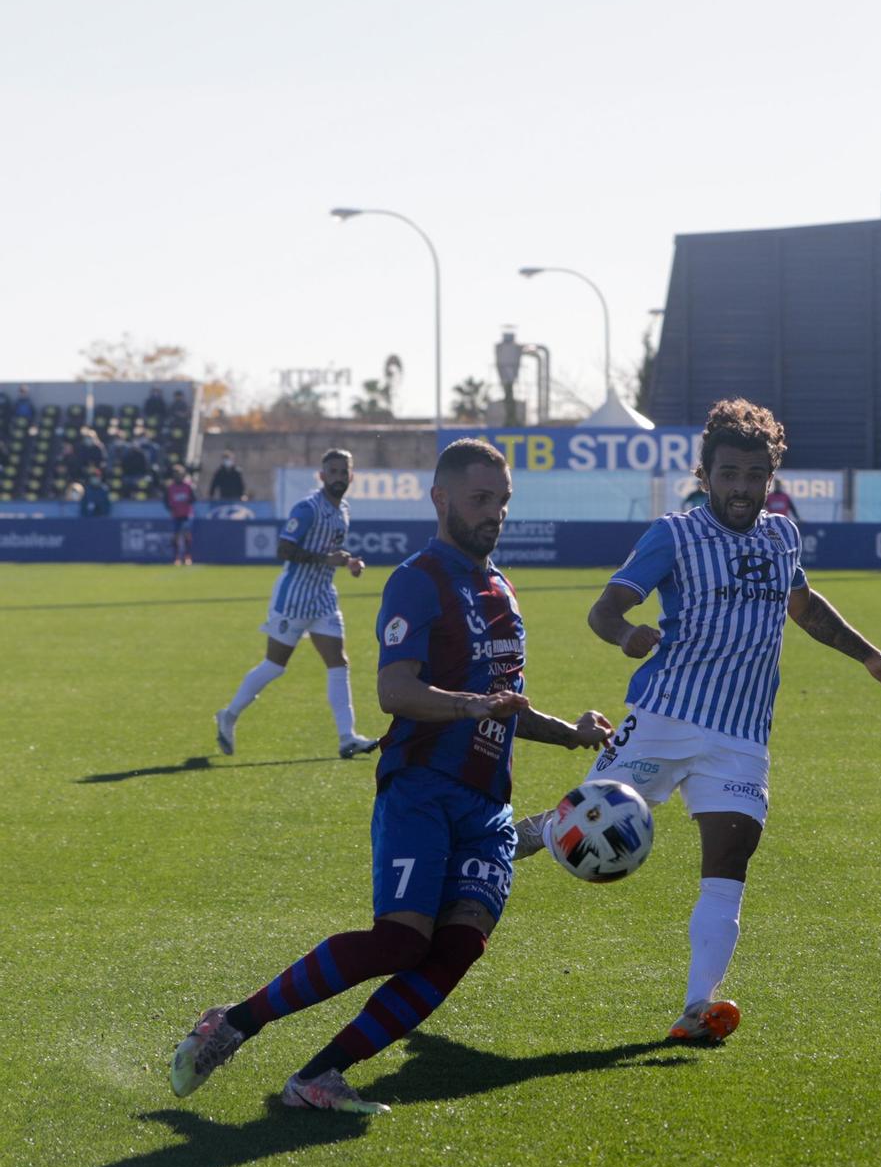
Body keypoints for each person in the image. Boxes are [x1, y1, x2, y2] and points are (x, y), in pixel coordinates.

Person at [168, 439, 617, 1113]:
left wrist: (572, 734)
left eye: (502, 500)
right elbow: (395, 691)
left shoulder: (502, 589)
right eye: (479, 499)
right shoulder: (418, 578)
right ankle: (232, 1022)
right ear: (441, 499)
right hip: (422, 787)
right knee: (401, 940)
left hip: (488, 806)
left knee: (458, 947)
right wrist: (471, 706)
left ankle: (318, 1076)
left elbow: (506, 705)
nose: (494, 512)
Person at [511, 399, 881, 1044]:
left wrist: (871, 657)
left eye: (755, 475)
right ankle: (512, 843)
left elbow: (805, 609)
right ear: (706, 475)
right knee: (577, 839)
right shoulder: (672, 534)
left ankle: (698, 1007)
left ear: (770, 477)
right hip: (661, 718)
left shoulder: (782, 536)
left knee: (729, 861)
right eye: (728, 474)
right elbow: (604, 608)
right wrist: (625, 636)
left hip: (741, 736)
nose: (742, 488)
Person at [214, 448, 380, 760]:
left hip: (322, 598)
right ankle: (229, 715)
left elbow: (331, 550)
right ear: (321, 476)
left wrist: (347, 562)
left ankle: (347, 737)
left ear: (351, 475)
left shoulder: (343, 509)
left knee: (339, 662)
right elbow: (283, 549)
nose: (339, 477)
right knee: (275, 665)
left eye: (344, 472)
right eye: (333, 471)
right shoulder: (307, 508)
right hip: (293, 598)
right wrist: (325, 558)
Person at [162, 463, 197, 566]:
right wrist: (171, 508)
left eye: (179, 473)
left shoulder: (188, 486)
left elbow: (193, 499)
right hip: (176, 515)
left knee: (187, 535)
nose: (177, 476)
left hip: (186, 514)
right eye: (175, 473)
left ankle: (187, 556)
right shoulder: (170, 487)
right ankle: (176, 557)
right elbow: (165, 501)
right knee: (175, 536)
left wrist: (186, 504)